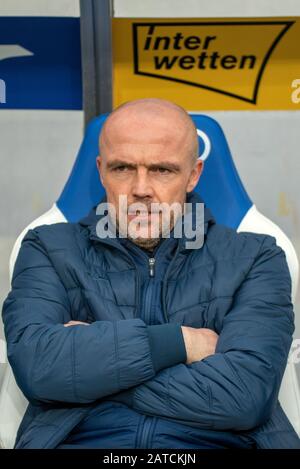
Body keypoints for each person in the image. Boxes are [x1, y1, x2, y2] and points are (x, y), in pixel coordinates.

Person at [2, 98, 300, 449]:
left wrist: (92, 367)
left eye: (162, 170)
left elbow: (244, 396)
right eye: (123, 168)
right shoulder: (47, 248)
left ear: (193, 175)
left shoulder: (257, 256)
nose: (141, 188)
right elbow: (38, 370)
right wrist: (182, 344)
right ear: (101, 171)